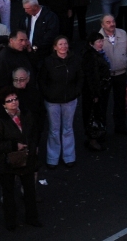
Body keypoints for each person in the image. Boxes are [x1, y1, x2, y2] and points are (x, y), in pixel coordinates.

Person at [0, 86, 42, 230]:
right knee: (9, 193)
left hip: (26, 159)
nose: (14, 102)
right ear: (3, 104)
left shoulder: (26, 114)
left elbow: (33, 133)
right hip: (7, 163)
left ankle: (32, 218)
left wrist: (32, 147)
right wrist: (14, 145)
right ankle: (11, 222)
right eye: (10, 100)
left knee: (29, 190)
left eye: (15, 99)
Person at [39, 36, 82, 169]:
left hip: (70, 100)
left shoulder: (75, 60)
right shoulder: (48, 62)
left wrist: (75, 93)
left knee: (68, 128)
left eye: (65, 43)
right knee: (54, 130)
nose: (63, 46)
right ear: (55, 47)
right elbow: (41, 80)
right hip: (52, 102)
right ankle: (52, 158)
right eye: (60, 44)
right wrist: (48, 94)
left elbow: (80, 78)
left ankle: (69, 157)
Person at [98, 14, 127, 136]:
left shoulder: (122, 33)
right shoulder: (98, 38)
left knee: (120, 102)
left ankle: (120, 127)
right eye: (108, 22)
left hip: (121, 74)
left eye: (113, 21)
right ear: (102, 25)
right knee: (102, 104)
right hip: (106, 76)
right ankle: (102, 130)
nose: (112, 24)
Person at [80, 31, 111, 152]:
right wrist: (95, 94)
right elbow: (92, 77)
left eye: (102, 41)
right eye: (98, 41)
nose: (101, 43)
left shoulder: (95, 54)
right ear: (91, 43)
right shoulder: (91, 57)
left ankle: (95, 137)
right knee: (93, 115)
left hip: (97, 92)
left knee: (95, 115)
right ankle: (93, 139)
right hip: (93, 93)